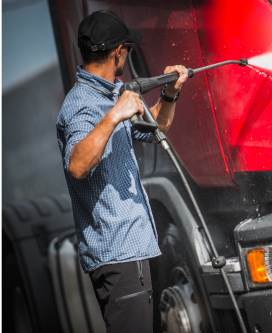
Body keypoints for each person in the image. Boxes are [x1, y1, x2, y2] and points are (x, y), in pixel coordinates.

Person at [56, 10, 188, 333]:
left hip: (137, 253)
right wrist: (114, 115)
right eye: (127, 51)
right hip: (119, 261)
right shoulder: (81, 105)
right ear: (118, 53)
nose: (127, 58)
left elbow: (157, 125)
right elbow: (77, 164)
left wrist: (170, 91)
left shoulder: (111, 94)